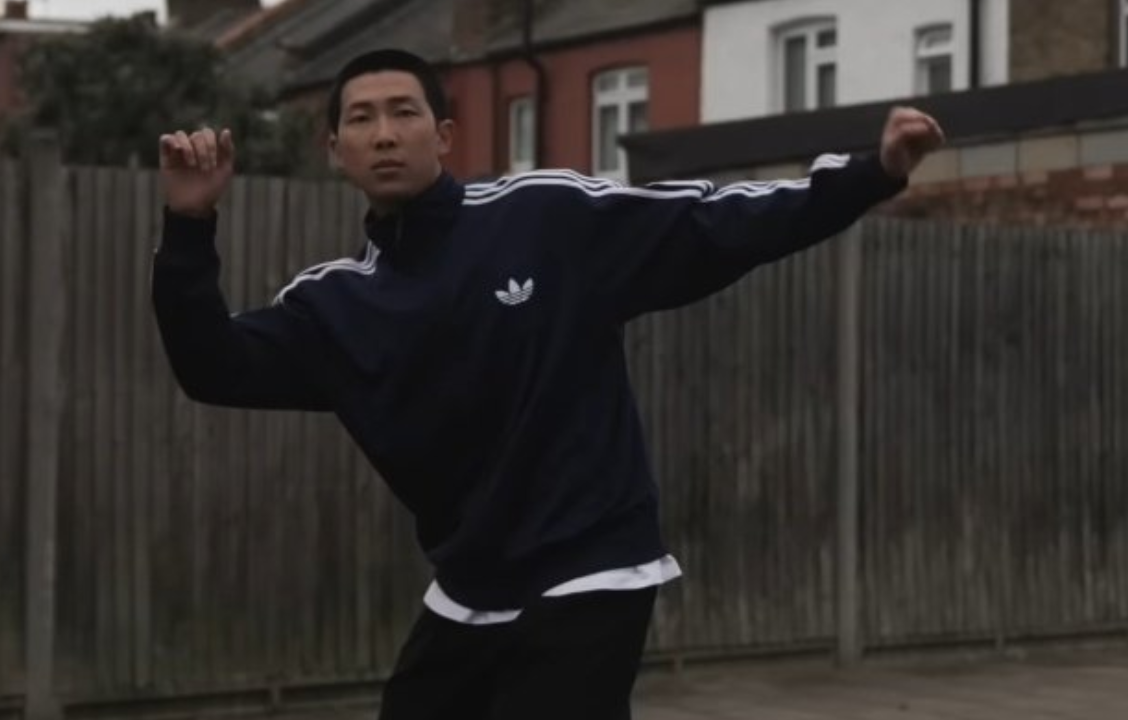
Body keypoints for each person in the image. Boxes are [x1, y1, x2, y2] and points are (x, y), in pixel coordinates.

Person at [152, 48, 944, 720]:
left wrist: (869, 175)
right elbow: (212, 366)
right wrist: (189, 225)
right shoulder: (334, 307)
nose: (385, 134)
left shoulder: (542, 218)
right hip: (470, 585)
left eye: (404, 113)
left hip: (591, 561)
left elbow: (713, 224)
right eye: (362, 119)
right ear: (336, 149)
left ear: (444, 135)